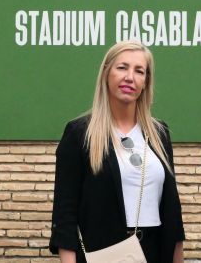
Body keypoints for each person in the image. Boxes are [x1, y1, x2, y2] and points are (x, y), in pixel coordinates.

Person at [49, 41, 185, 263]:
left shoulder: (159, 133)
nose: (130, 77)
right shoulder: (79, 134)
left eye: (139, 71)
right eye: (122, 67)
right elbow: (65, 216)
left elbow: (173, 214)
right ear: (106, 73)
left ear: (146, 81)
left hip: (155, 252)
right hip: (103, 253)